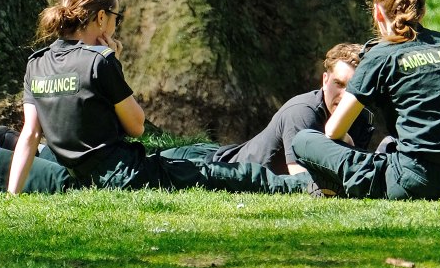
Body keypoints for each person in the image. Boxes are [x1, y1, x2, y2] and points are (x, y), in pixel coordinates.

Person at [0, 0, 308, 195]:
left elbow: (29, 135)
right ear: (101, 17)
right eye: (116, 17)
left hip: (78, 166)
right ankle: (300, 185)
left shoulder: (36, 63)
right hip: (121, 174)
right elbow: (136, 126)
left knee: (188, 156)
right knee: (210, 173)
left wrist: (12, 197)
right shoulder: (99, 62)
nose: (117, 25)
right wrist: (113, 64)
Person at [290, 0, 440, 199]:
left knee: (304, 140)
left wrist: (348, 144)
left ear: (376, 12)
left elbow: (333, 130)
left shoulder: (382, 54)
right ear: (421, 11)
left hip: (418, 180)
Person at [160, 43, 375, 175]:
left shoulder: (362, 119)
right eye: (339, 84)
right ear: (325, 80)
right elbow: (301, 179)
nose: (345, 95)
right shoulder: (303, 112)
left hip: (225, 156)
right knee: (150, 165)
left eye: (354, 87)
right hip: (217, 165)